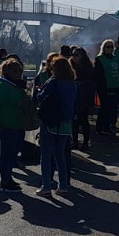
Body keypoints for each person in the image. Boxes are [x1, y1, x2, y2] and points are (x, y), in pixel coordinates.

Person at [35, 56, 78, 198]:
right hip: (66, 122)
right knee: (61, 155)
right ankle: (63, 185)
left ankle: (46, 186)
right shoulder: (73, 83)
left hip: (51, 120)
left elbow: (40, 97)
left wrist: (38, 90)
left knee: (46, 155)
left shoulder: (53, 81)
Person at [0, 59, 29, 192]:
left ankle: (8, 178)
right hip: (7, 125)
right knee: (7, 153)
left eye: (20, 71)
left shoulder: (16, 85)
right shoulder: (3, 86)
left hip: (17, 124)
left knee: (13, 153)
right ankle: (5, 181)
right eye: (15, 71)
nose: (18, 73)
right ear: (7, 72)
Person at [93, 40, 119, 136]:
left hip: (115, 86)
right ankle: (99, 128)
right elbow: (98, 76)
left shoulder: (115, 58)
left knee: (112, 108)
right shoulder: (99, 59)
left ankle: (107, 127)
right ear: (103, 48)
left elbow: (118, 72)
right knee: (104, 108)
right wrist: (102, 88)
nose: (110, 49)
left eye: (111, 47)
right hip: (104, 88)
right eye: (107, 47)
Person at [70, 47, 95, 151]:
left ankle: (85, 142)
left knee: (84, 119)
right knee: (74, 120)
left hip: (84, 97)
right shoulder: (71, 66)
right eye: (73, 55)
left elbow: (91, 84)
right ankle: (74, 141)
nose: (74, 57)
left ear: (82, 56)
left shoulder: (88, 67)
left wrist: (90, 101)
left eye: (76, 55)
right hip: (74, 96)